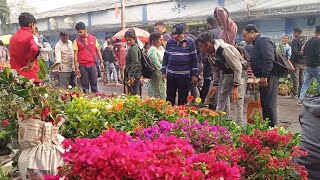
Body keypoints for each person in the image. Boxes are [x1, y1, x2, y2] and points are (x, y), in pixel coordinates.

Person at [197, 32, 246, 125]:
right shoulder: (209, 54)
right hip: (228, 74)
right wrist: (215, 85)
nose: (200, 48)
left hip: (240, 74)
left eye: (201, 46)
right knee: (221, 97)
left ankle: (239, 126)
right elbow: (215, 70)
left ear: (207, 44)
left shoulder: (224, 49)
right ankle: (219, 122)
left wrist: (235, 86)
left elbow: (238, 67)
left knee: (238, 99)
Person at [242, 24, 279, 127]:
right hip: (263, 76)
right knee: (265, 103)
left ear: (252, 33)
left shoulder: (263, 40)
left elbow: (268, 59)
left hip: (269, 76)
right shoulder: (257, 42)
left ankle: (272, 128)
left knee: (269, 103)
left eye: (244, 35)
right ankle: (268, 127)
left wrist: (264, 76)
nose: (243, 38)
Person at [162, 24, 199, 105]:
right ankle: (168, 115)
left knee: (183, 98)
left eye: (177, 35)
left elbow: (194, 60)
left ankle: (181, 116)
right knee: (169, 98)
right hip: (171, 75)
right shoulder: (170, 41)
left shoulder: (190, 42)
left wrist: (195, 75)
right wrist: (163, 71)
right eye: (174, 35)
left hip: (184, 76)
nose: (175, 37)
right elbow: (166, 57)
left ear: (183, 33)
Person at [9, 12, 41, 84]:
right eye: (35, 25)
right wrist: (31, 61)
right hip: (31, 77)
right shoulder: (32, 36)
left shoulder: (12, 38)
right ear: (31, 24)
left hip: (16, 77)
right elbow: (36, 49)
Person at [73, 22, 104, 93]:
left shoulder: (93, 38)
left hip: (93, 65)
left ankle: (96, 100)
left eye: (81, 32)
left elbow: (98, 50)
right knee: (85, 86)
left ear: (85, 30)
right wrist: (76, 68)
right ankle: (86, 100)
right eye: (78, 32)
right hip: (82, 66)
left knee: (94, 85)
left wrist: (101, 62)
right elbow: (75, 54)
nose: (79, 34)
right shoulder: (76, 41)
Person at [299, 25, 320, 102]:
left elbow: (303, 53)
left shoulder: (308, 41)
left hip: (308, 66)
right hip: (316, 66)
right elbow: (318, 53)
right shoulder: (318, 41)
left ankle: (301, 98)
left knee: (306, 83)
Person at [147, 32, 166, 99]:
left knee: (162, 90)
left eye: (162, 39)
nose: (162, 41)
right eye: (160, 40)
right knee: (157, 91)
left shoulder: (161, 48)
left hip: (162, 73)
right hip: (157, 73)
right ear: (154, 40)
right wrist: (164, 71)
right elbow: (157, 64)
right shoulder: (152, 50)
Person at [124, 30, 142, 95]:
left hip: (134, 74)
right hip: (135, 73)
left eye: (130, 40)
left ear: (134, 39)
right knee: (135, 92)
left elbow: (135, 63)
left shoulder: (134, 48)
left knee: (135, 93)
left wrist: (131, 77)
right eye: (127, 40)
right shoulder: (133, 47)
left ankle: (138, 104)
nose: (128, 42)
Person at [291, 28, 306, 99]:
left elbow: (294, 51)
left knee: (295, 78)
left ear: (296, 33)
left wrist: (300, 54)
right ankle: (301, 94)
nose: (293, 34)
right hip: (303, 62)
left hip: (296, 62)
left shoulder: (295, 40)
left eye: (293, 32)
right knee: (301, 78)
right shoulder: (305, 40)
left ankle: (295, 94)